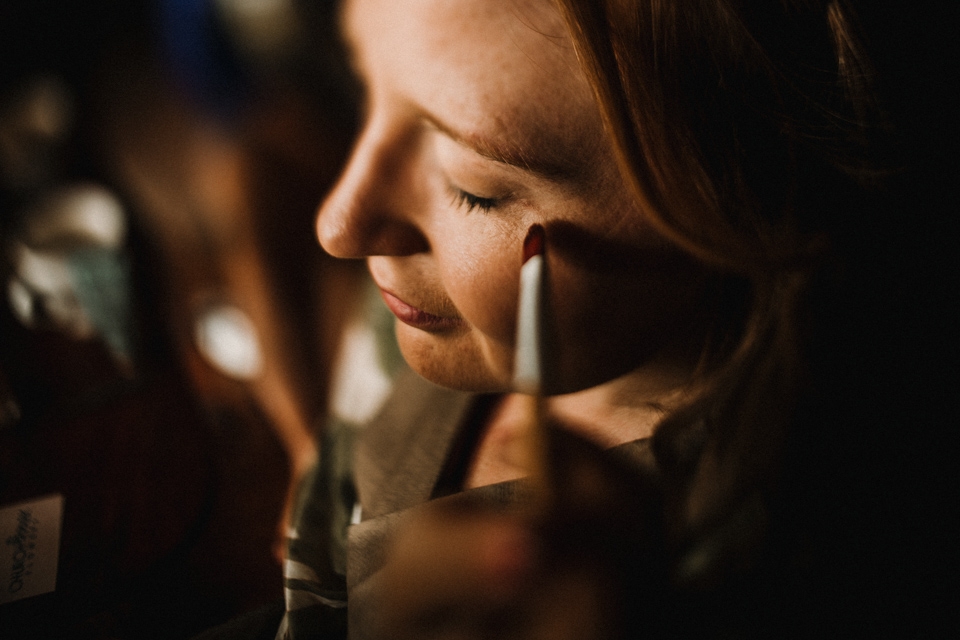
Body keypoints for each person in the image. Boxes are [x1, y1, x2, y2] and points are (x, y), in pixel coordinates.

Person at [197, 0, 957, 638]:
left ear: (742, 202)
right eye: (369, 91)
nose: (340, 225)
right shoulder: (423, 308)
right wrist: (306, 445)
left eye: (473, 189)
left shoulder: (755, 563)